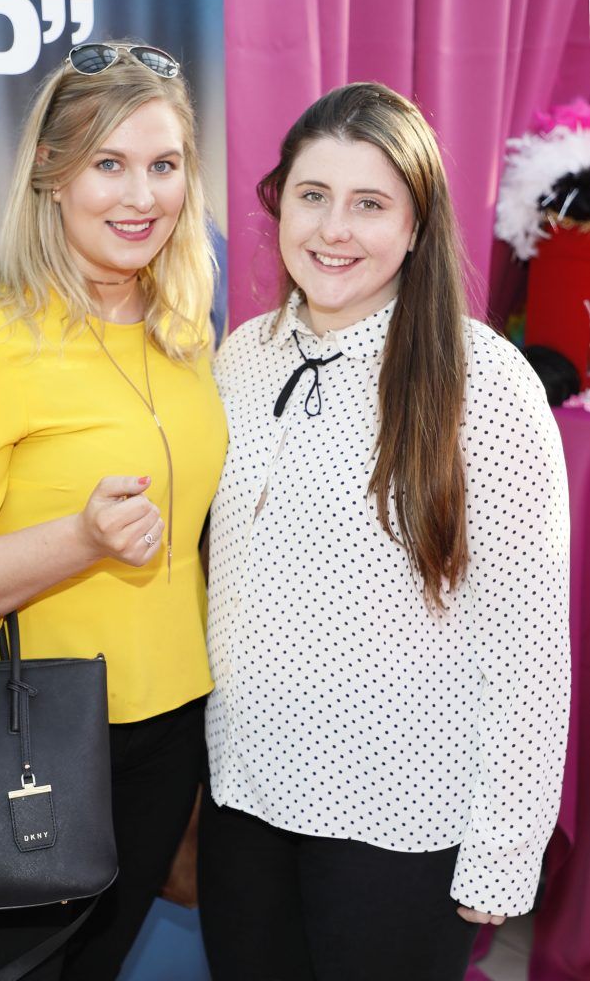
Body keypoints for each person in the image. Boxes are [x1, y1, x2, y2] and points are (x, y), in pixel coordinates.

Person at [199, 82, 570, 981]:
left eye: (370, 204)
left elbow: (529, 648)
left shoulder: (486, 384)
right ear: (276, 203)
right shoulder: (241, 356)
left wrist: (504, 850)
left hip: (401, 825)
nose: (334, 229)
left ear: (414, 226)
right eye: (312, 196)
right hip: (243, 806)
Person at [0, 41, 227, 981]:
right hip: (19, 743)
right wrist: (77, 539)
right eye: (107, 164)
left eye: (164, 166)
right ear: (49, 174)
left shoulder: (185, 339)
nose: (140, 196)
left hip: (166, 738)